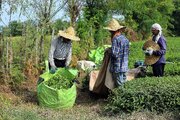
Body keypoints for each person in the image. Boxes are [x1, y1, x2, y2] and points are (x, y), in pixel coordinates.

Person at [104, 19, 129, 86]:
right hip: (124, 66)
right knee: (124, 83)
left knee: (119, 86)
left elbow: (115, 54)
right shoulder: (125, 39)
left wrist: (109, 51)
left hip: (118, 67)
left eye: (110, 31)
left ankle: (122, 96)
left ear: (113, 31)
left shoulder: (115, 39)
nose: (110, 32)